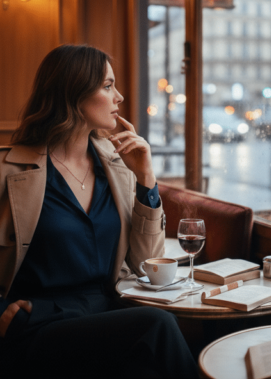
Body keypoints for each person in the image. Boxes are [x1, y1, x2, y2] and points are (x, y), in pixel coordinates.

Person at [0, 44, 198, 378]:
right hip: (41, 320)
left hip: (107, 309)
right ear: (72, 93)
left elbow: (145, 263)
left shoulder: (117, 166)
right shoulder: (10, 171)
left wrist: (146, 180)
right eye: (107, 86)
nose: (119, 96)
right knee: (158, 326)